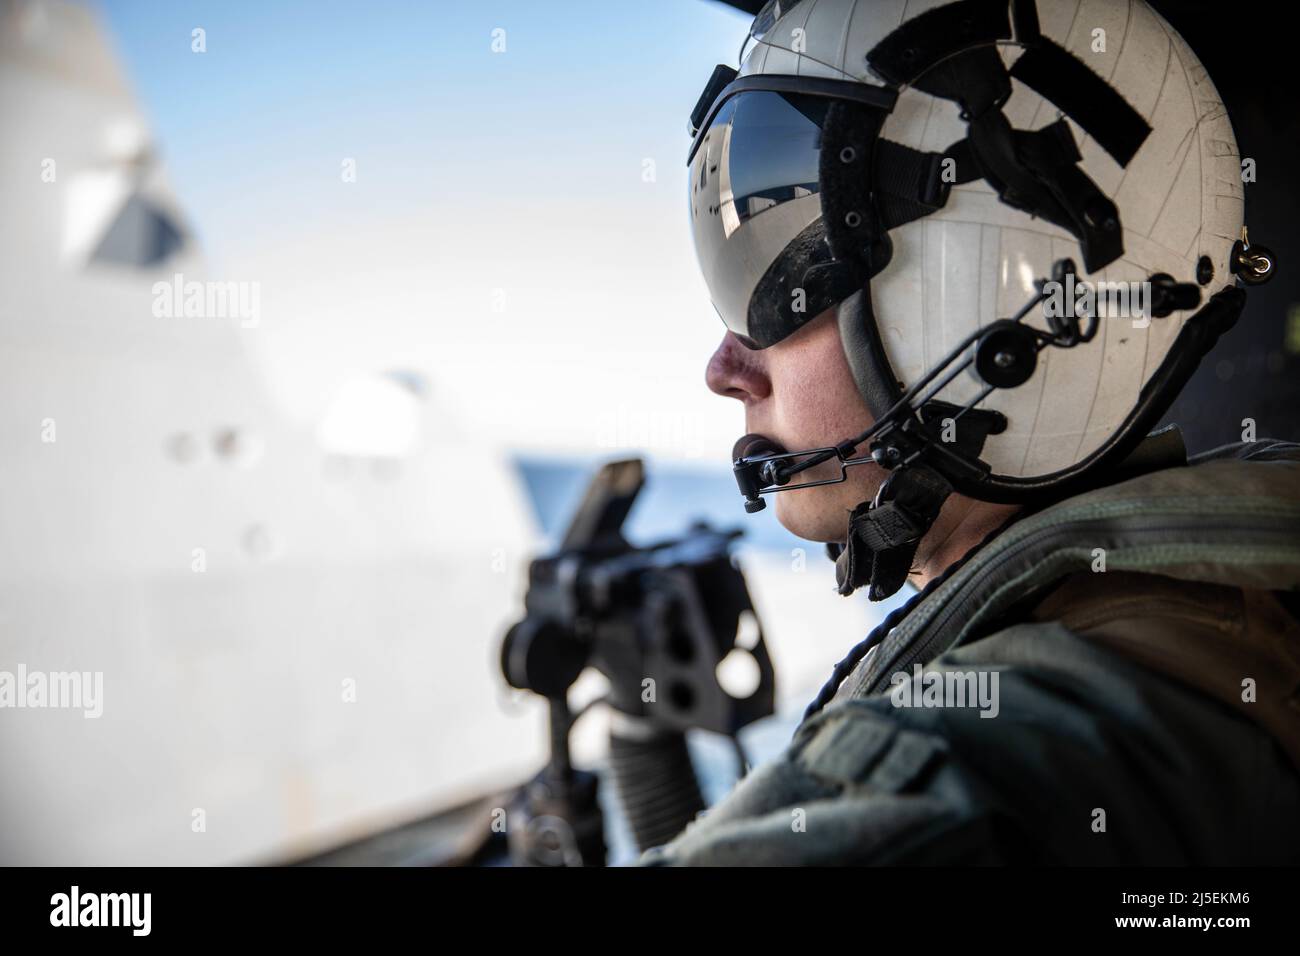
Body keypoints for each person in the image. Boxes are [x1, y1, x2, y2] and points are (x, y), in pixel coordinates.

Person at [642, 0, 1300, 864]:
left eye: (779, 277)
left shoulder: (1003, 768)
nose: (724, 366)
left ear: (976, 302)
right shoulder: (1221, 603)